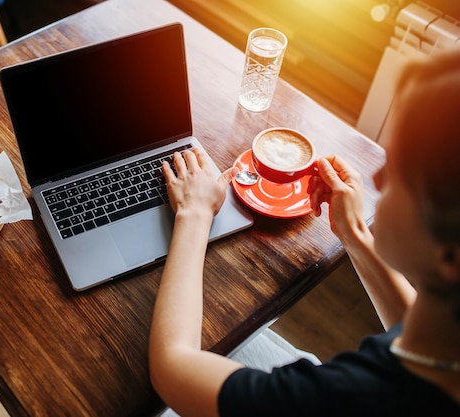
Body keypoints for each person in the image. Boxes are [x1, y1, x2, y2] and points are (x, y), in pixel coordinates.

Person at [148, 48, 460, 416]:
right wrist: (354, 232)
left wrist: (195, 212)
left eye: (398, 171)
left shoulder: (341, 400)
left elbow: (171, 367)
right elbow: (425, 328)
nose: (375, 177)